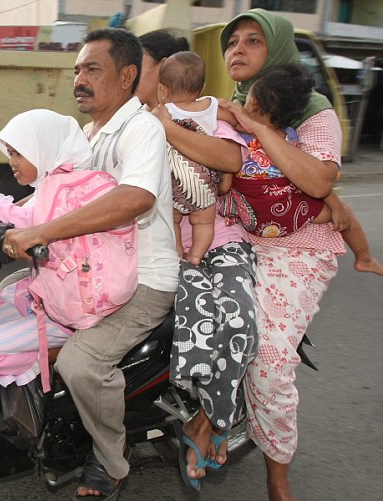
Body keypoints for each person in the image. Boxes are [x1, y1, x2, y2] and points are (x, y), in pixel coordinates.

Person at [2, 28, 179, 500]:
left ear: (126, 76)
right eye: (77, 69)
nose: (79, 78)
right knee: (3, 303)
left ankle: (111, 462)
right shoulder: (86, 134)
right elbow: (45, 189)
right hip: (89, 273)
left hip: (142, 280)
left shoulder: (142, 130)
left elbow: (135, 197)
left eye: (92, 69)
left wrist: (41, 232)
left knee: (81, 363)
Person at [215, 9, 347, 500]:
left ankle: (278, 479)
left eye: (253, 40)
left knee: (268, 359)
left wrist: (255, 125)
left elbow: (316, 180)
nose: (237, 49)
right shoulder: (224, 104)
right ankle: (202, 420)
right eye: (232, 41)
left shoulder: (312, 110)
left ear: (280, 50)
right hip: (235, 235)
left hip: (297, 248)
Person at [140, 34, 258, 492]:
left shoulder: (185, 117)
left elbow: (232, 159)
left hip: (223, 240)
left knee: (241, 319)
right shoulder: (137, 123)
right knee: (198, 315)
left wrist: (167, 125)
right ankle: (198, 415)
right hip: (168, 245)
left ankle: (210, 423)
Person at [0, 109, 94, 387]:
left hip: (65, 309)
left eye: (19, 154)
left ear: (44, 149)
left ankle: (56, 356)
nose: (12, 162)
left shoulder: (65, 186)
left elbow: (25, 220)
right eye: (10, 154)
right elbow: (21, 210)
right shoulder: (55, 180)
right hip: (46, 292)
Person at [219, 63, 383, 275]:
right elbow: (309, 183)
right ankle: (364, 258)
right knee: (344, 214)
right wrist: (337, 207)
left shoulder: (241, 133)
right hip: (291, 214)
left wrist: (226, 108)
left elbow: (215, 113)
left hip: (249, 216)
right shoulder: (290, 139)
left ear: (254, 103)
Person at [157, 51, 236, 264]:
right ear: (201, 88)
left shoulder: (163, 111)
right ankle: (196, 255)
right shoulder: (209, 106)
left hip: (176, 183)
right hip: (204, 184)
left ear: (162, 89)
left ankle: (177, 253)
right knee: (203, 222)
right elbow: (232, 118)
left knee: (172, 221)